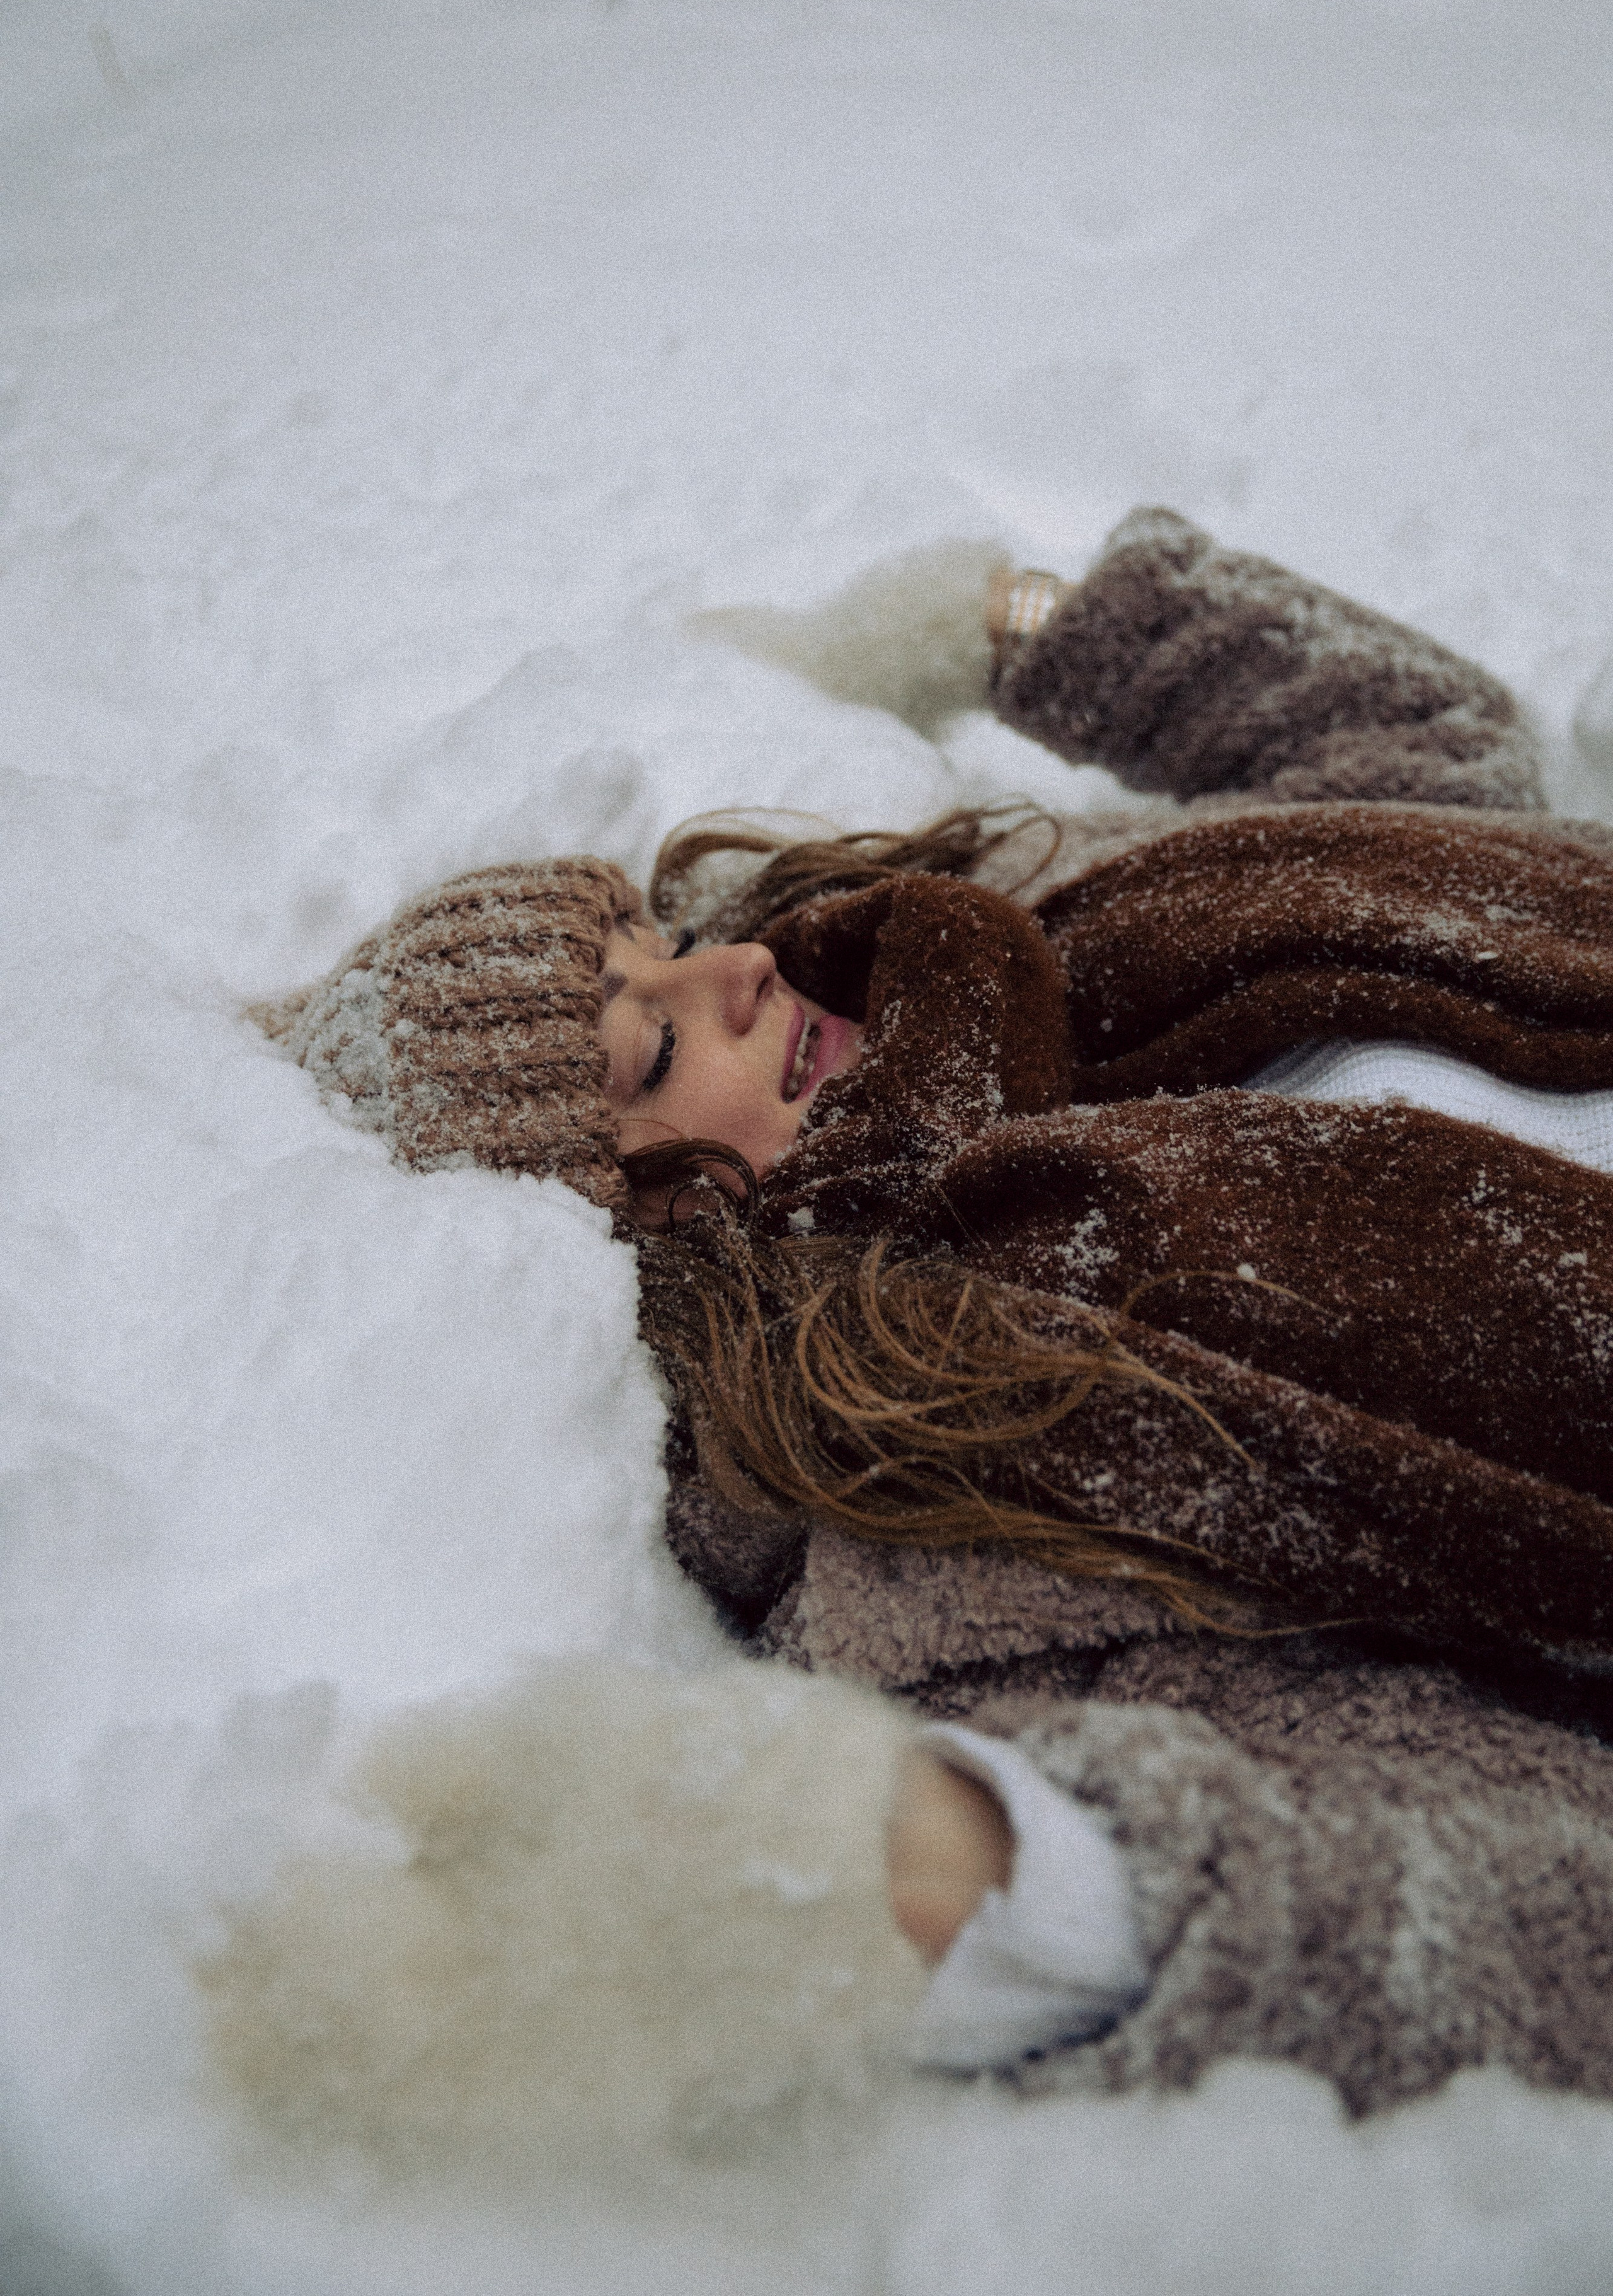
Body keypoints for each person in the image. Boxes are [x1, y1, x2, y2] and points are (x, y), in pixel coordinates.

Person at [260, 507, 1613, 2119]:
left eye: (672, 945)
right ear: (624, 1245)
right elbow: (1516, 1875)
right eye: (650, 1054)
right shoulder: (960, 1448)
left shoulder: (1044, 924)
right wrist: (994, 1881)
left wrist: (992, 621)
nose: (737, 973)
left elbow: (1427, 752)